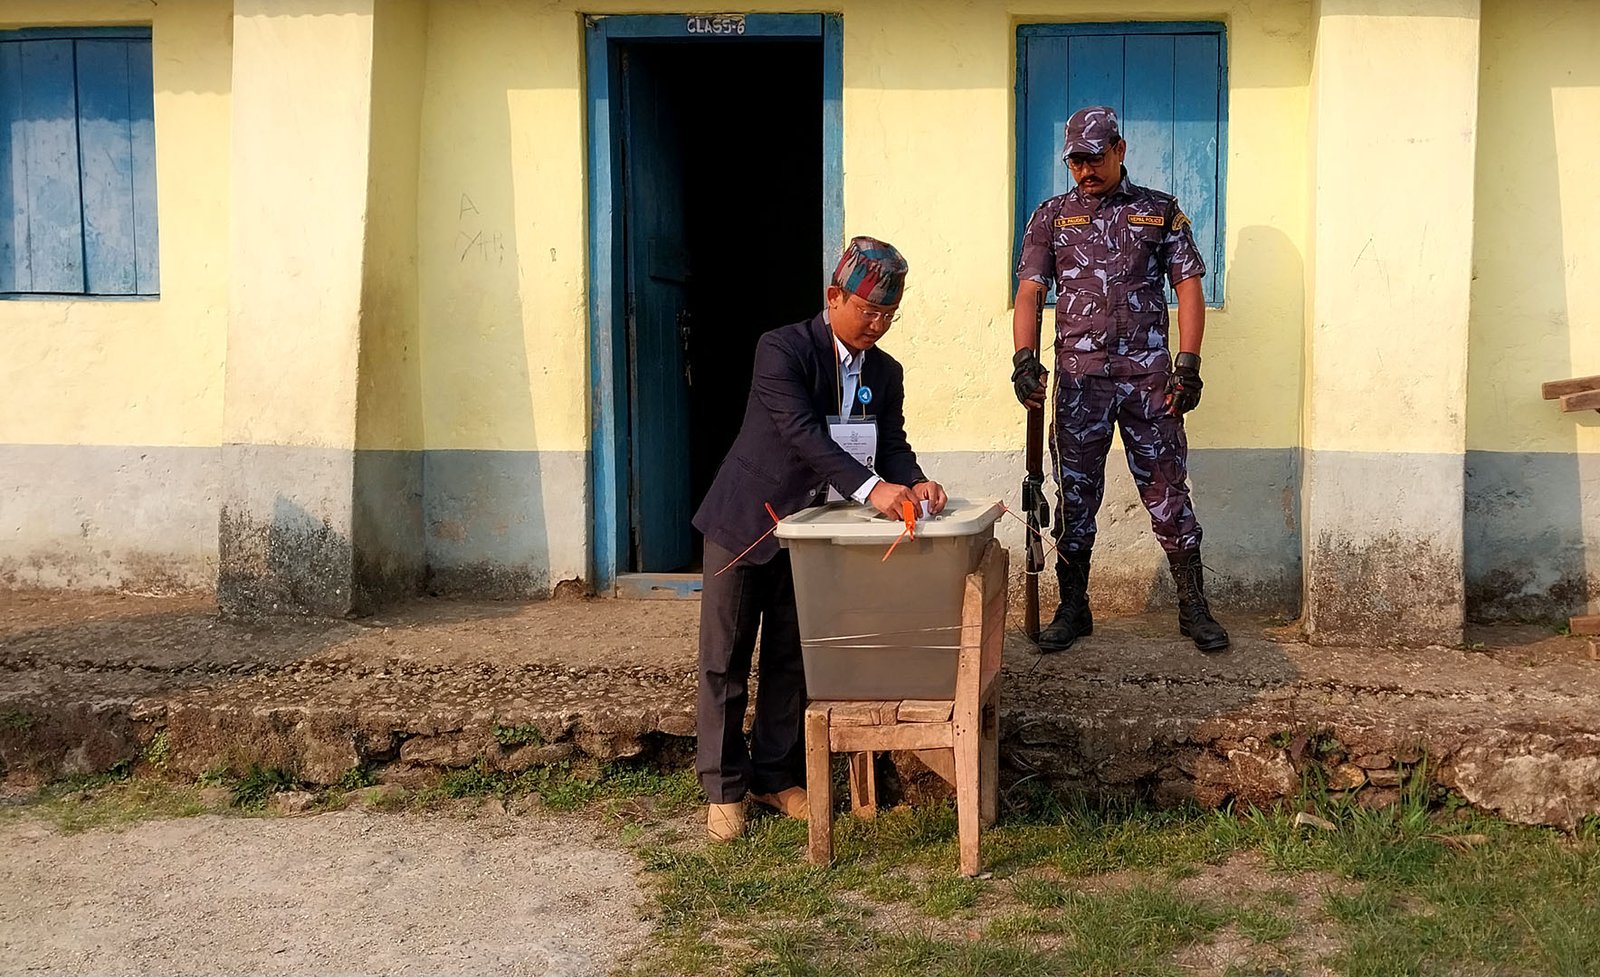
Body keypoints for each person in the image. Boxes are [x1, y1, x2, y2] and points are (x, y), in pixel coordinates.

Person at [692, 236, 949, 842]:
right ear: (834, 297)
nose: (878, 325)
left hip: (814, 536)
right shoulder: (781, 349)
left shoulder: (885, 373)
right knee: (725, 658)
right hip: (746, 523)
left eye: (890, 315)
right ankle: (725, 785)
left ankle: (775, 776)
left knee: (792, 656)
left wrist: (914, 481)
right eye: (869, 311)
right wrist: (872, 490)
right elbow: (803, 433)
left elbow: (890, 442)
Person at [1010, 105, 1229, 655]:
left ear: (1120, 149)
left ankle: (1193, 608)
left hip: (1149, 383)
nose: (1086, 170)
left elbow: (1187, 288)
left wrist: (1189, 364)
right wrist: (1024, 358)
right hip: (1081, 383)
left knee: (1167, 493)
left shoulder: (1159, 213)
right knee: (1076, 497)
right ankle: (1074, 607)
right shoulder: (1052, 217)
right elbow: (1031, 293)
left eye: (1096, 157)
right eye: (1076, 161)